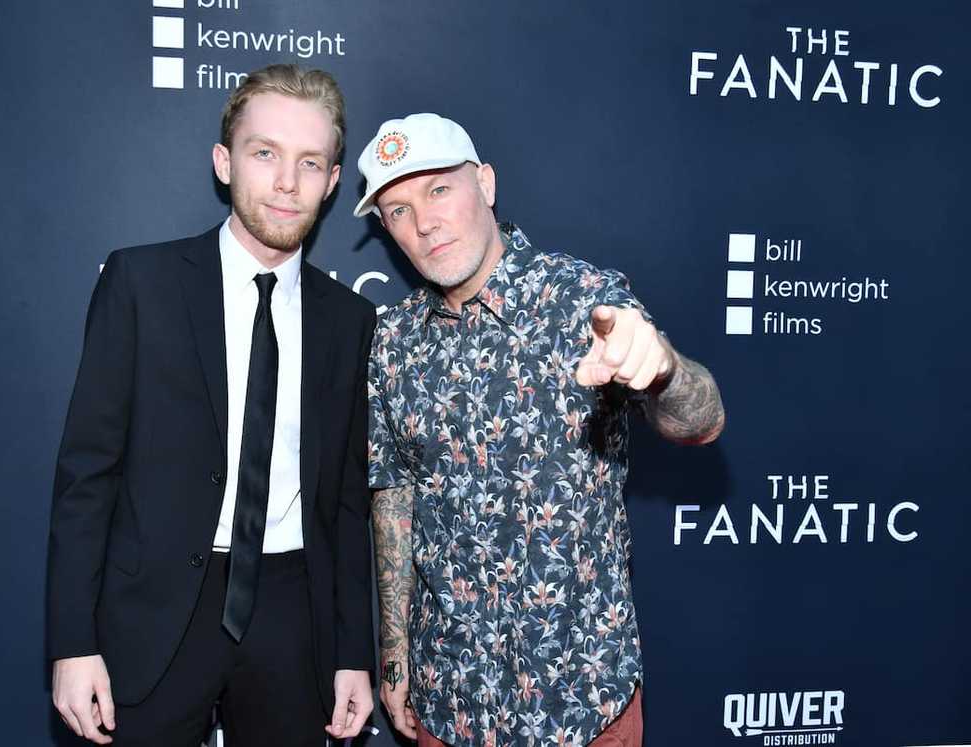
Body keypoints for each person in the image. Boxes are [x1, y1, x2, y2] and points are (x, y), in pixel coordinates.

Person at [360, 114, 725, 746]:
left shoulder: (585, 301)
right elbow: (395, 493)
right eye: (397, 210)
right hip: (450, 703)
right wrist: (394, 653)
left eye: (439, 189)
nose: (423, 223)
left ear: (487, 184)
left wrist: (662, 370)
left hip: (585, 704)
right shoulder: (392, 339)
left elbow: (702, 421)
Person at [46, 64, 375, 746]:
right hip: (155, 610)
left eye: (310, 162)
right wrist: (72, 642)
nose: (287, 182)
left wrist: (353, 652)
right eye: (266, 154)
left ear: (334, 181)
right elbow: (87, 477)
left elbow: (345, 503)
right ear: (224, 163)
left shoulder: (350, 320)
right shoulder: (141, 283)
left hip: (293, 614)